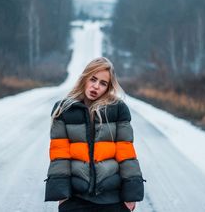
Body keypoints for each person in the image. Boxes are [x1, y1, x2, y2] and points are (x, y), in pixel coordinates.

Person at [44, 57, 145, 212]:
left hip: (112, 199)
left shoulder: (118, 109)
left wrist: (131, 194)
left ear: (108, 87)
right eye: (93, 79)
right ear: (85, 78)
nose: (96, 86)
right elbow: (60, 155)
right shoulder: (63, 110)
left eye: (103, 83)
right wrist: (62, 195)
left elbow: (126, 152)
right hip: (76, 199)